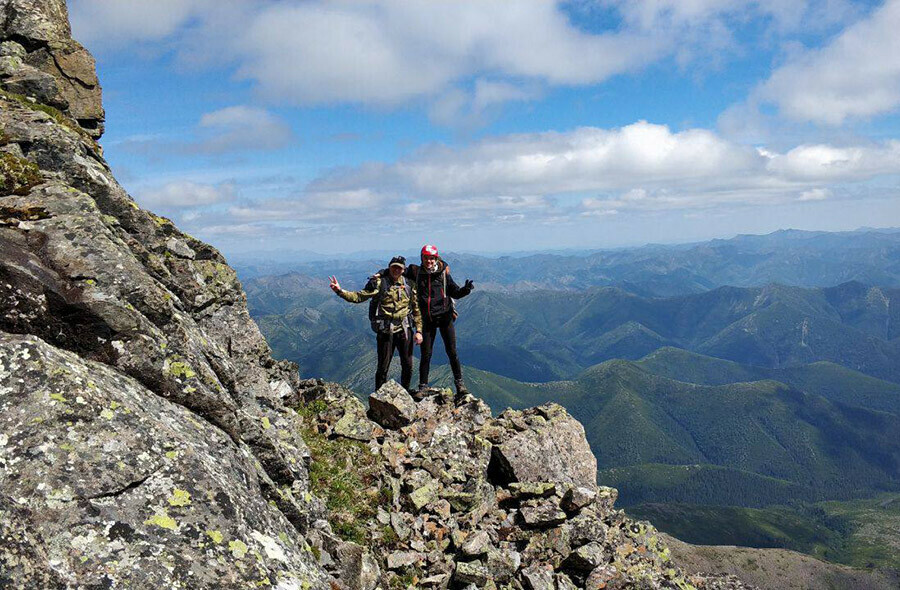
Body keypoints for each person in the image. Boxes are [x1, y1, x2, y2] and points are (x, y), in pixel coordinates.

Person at [374, 244, 474, 401]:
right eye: (426, 258)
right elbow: (396, 270)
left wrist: (465, 290)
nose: (429, 261)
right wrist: (380, 274)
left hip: (445, 317)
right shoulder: (416, 271)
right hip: (427, 320)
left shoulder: (443, 273)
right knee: (426, 354)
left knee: (452, 352)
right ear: (422, 258)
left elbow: (454, 291)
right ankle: (423, 386)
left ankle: (460, 385)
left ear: (436, 258)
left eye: (432, 258)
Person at [330, 256, 423, 392]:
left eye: (399, 268)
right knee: (383, 367)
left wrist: (419, 330)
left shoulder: (409, 284)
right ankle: (379, 396)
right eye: (394, 267)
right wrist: (339, 291)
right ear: (389, 268)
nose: (396, 270)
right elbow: (359, 297)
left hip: (405, 329)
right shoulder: (380, 283)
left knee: (408, 365)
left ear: (403, 270)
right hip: (385, 330)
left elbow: (416, 309)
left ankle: (406, 393)